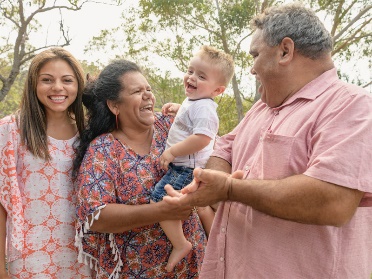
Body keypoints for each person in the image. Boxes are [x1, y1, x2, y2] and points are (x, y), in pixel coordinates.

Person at [164, 3, 372, 278]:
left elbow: (334, 201)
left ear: (285, 51)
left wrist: (229, 190)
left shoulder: (353, 106)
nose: (251, 69)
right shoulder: (262, 108)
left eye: (256, 55)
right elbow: (224, 150)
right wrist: (207, 185)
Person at [73, 59, 206, 278]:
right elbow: (94, 216)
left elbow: (213, 146)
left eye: (149, 89)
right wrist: (160, 211)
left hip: (194, 265)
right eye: (137, 91)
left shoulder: (172, 126)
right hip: (137, 270)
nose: (148, 96)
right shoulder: (104, 149)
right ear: (114, 105)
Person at [0, 48, 91, 278]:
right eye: (47, 80)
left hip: (82, 256)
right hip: (30, 258)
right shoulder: (10, 130)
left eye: (67, 80)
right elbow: (2, 204)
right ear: (33, 84)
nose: (58, 87)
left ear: (78, 85)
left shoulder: (89, 134)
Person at [151, 45, 235, 272]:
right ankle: (215, 242)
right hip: (189, 166)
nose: (191, 77)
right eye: (190, 71)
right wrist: (179, 108)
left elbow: (203, 138)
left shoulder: (205, 108)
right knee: (202, 206)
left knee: (160, 199)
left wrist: (172, 151)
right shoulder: (196, 102)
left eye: (201, 76)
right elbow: (191, 119)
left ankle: (180, 244)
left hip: (186, 167)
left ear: (217, 90)